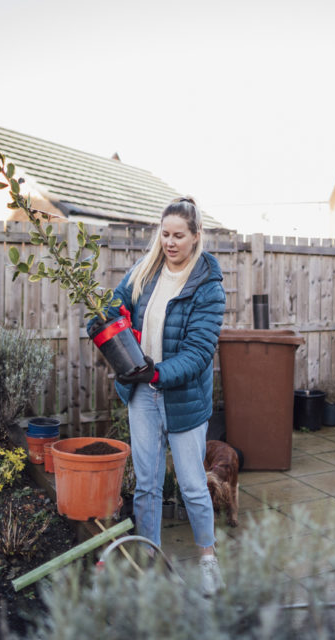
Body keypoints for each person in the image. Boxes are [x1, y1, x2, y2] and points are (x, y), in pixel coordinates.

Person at [105, 196, 226, 595]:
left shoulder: (208, 286)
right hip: (142, 393)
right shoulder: (146, 268)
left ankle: (208, 559)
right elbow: (116, 304)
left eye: (179, 236)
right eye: (165, 234)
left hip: (183, 398)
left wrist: (156, 371)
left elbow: (198, 353)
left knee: (192, 484)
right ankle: (148, 558)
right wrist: (104, 317)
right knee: (146, 484)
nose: (170, 242)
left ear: (196, 237)